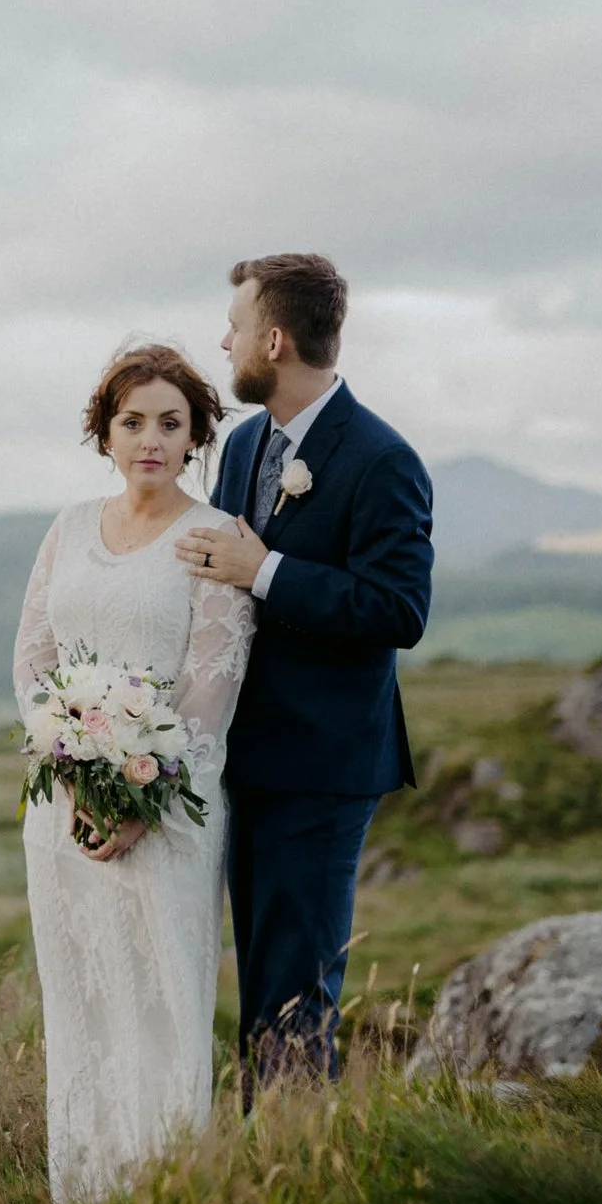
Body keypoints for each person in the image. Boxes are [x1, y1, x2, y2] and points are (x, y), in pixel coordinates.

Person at [173, 253, 432, 1097]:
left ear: (274, 340)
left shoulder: (381, 458)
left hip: (321, 770)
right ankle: (259, 1163)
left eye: (237, 328)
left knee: (292, 996)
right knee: (253, 978)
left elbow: (399, 609)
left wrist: (267, 570)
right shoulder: (246, 444)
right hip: (240, 757)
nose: (226, 341)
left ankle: (292, 1178)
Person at [15, 342, 255, 1204]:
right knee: (82, 1004)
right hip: (65, 819)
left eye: (170, 422)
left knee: (160, 1006)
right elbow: (34, 656)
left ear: (194, 436)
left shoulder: (216, 537)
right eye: (132, 421)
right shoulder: (69, 527)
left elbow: (211, 685)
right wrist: (77, 772)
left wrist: (142, 802)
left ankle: (166, 1202)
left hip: (171, 814)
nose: (150, 438)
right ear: (104, 433)